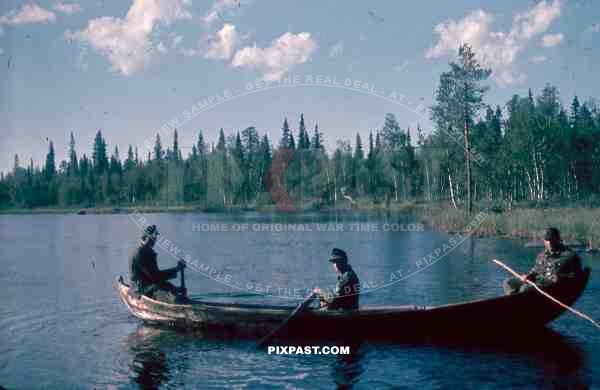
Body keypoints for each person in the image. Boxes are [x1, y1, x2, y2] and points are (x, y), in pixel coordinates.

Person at [503, 227, 583, 295]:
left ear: (558, 239)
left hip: (550, 287)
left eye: (552, 239)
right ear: (544, 241)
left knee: (525, 289)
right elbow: (535, 270)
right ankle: (513, 301)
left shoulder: (570, 256)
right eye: (547, 240)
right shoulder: (541, 256)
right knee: (508, 282)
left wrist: (561, 277)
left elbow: (577, 277)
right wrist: (528, 276)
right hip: (537, 281)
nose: (550, 243)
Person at [129, 225, 186, 303]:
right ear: (144, 238)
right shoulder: (139, 254)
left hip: (151, 285)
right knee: (175, 299)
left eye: (155, 238)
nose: (154, 240)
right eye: (151, 238)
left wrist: (174, 288)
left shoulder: (149, 251)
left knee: (176, 292)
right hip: (141, 289)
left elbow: (156, 277)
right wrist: (176, 269)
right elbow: (154, 277)